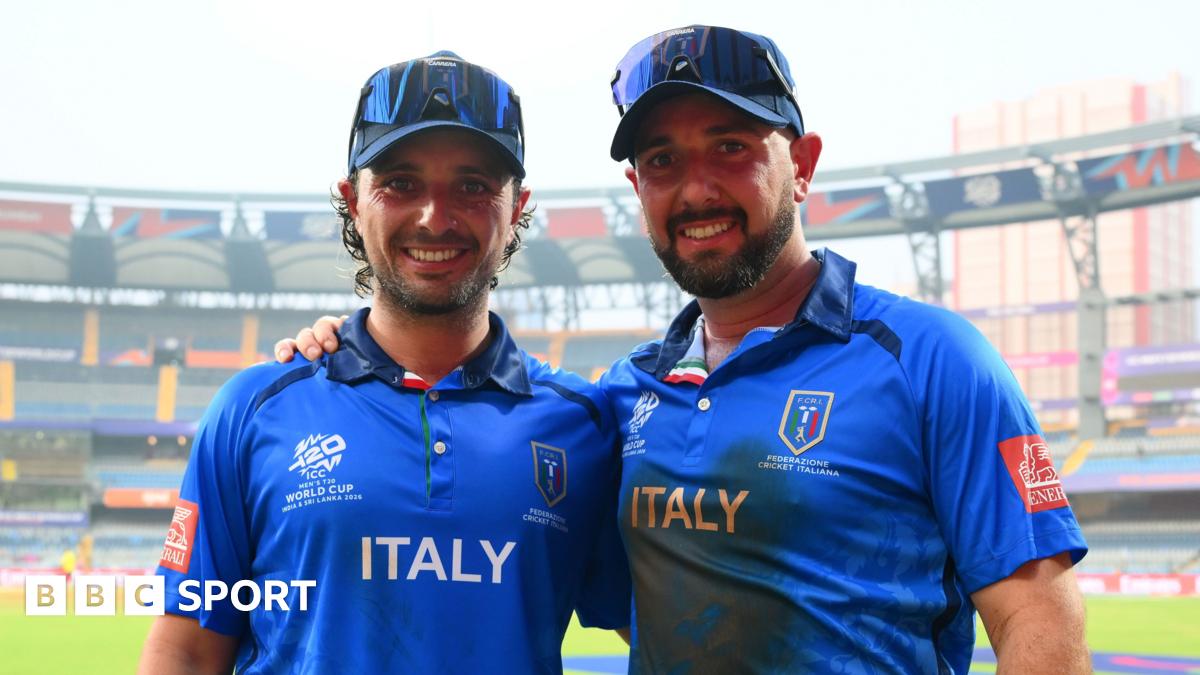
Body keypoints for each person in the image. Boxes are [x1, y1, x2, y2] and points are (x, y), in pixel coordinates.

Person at [279, 26, 1090, 674]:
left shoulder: (931, 359)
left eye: (731, 146)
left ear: (801, 166)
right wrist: (342, 352)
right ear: (639, 190)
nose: (696, 188)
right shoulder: (619, 403)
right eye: (663, 160)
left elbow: (1037, 620)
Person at [140, 51, 630, 674]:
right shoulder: (255, 409)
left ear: (517, 209)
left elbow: (677, 631)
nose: (435, 216)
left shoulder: (584, 424)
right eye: (400, 182)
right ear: (353, 200)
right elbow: (184, 650)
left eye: (474, 186)